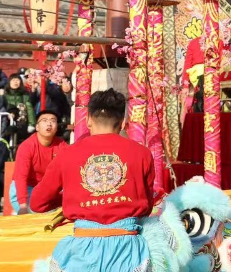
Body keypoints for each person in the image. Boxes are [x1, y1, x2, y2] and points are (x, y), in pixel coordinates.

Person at [30, 89, 155, 272]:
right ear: (122, 123)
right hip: (129, 252)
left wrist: (72, 197)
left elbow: (38, 202)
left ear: (88, 120)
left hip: (80, 251)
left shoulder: (67, 154)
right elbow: (147, 204)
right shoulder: (142, 153)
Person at [10, 109, 67, 214]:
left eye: (53, 121)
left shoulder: (62, 145)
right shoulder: (26, 146)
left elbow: (68, 172)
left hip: (46, 189)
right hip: (26, 189)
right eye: (44, 120)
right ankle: (17, 209)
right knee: (36, 214)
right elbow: (21, 177)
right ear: (37, 127)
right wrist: (23, 206)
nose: (49, 123)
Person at [4, 74, 37, 146]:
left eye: (17, 80)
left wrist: (31, 124)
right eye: (13, 80)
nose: (15, 82)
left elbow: (29, 108)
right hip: (8, 122)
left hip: (21, 122)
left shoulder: (25, 95)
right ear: (9, 82)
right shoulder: (4, 95)